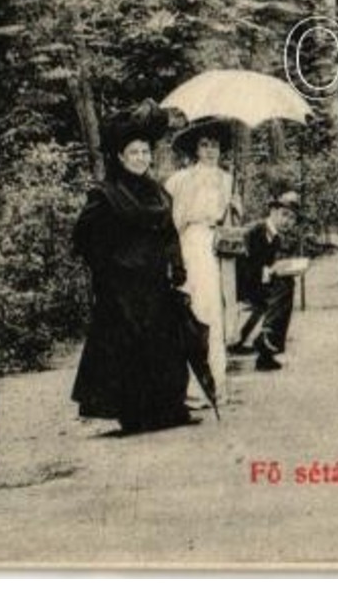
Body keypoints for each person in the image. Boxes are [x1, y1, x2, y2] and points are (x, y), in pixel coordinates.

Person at [70, 100, 195, 434]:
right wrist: (109, 268)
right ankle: (134, 414)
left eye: (145, 152)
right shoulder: (106, 194)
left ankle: (166, 409)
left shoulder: (157, 193)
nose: (141, 158)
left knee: (164, 344)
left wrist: (176, 266)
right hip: (122, 289)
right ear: (121, 157)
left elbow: (170, 234)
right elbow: (84, 237)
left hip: (155, 283)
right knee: (128, 348)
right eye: (134, 153)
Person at [164, 122, 240, 405]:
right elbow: (171, 220)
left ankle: (217, 382)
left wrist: (233, 210)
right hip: (190, 246)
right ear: (195, 150)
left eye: (215, 145)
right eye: (205, 145)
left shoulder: (228, 179)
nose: (210, 151)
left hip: (218, 246)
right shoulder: (180, 180)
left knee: (217, 310)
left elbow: (230, 222)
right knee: (194, 309)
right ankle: (193, 387)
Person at [232, 191, 301, 371]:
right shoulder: (255, 231)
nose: (288, 221)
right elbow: (243, 266)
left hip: (255, 284)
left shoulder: (275, 236)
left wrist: (276, 269)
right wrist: (270, 272)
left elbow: (265, 266)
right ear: (273, 211)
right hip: (241, 284)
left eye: (292, 218)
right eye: (284, 215)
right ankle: (267, 343)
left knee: (286, 283)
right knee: (283, 286)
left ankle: (267, 344)